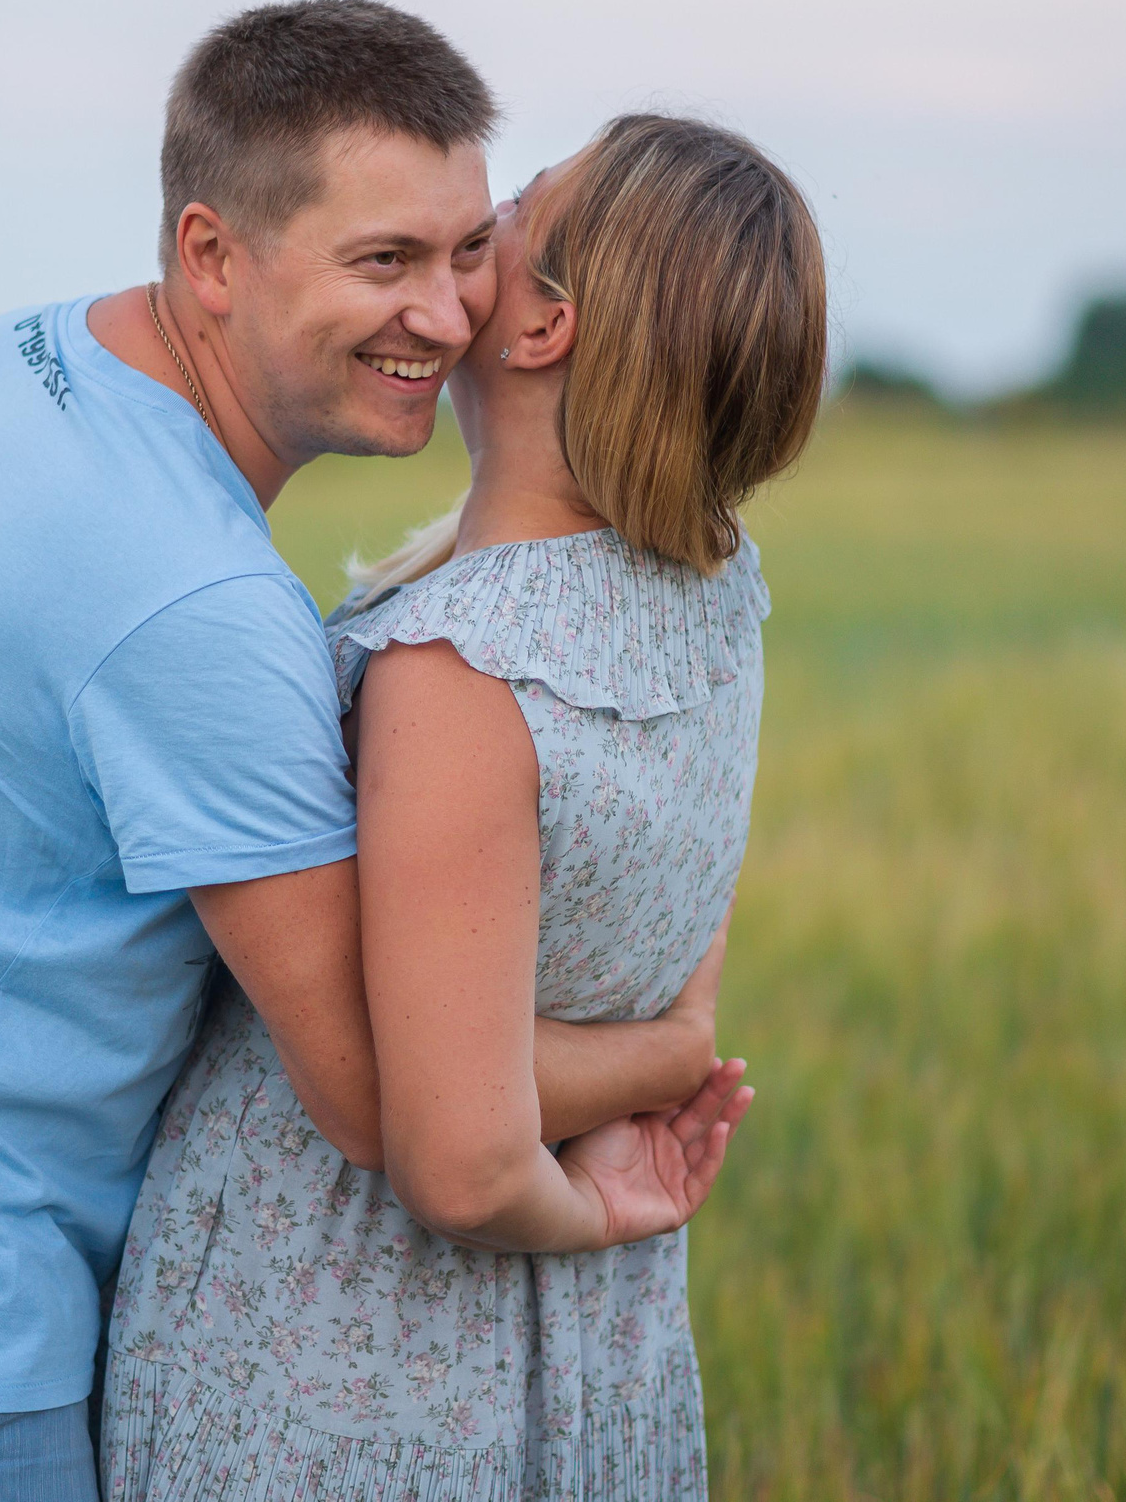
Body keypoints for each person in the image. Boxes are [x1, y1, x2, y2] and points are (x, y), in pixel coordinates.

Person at [0, 0, 730, 1502]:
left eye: (467, 248)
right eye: (382, 261)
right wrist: (665, 1050)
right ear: (213, 255)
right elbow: (381, 1097)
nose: (450, 314)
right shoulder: (194, 606)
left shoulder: (14, 362)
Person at [103, 113, 827, 1500]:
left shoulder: (461, 669)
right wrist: (665, 1053)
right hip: (592, 1358)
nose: (447, 268)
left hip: (345, 1360)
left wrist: (593, 1202)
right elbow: (637, 970)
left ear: (542, 326)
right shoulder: (719, 594)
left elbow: (459, 1153)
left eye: (495, 236)